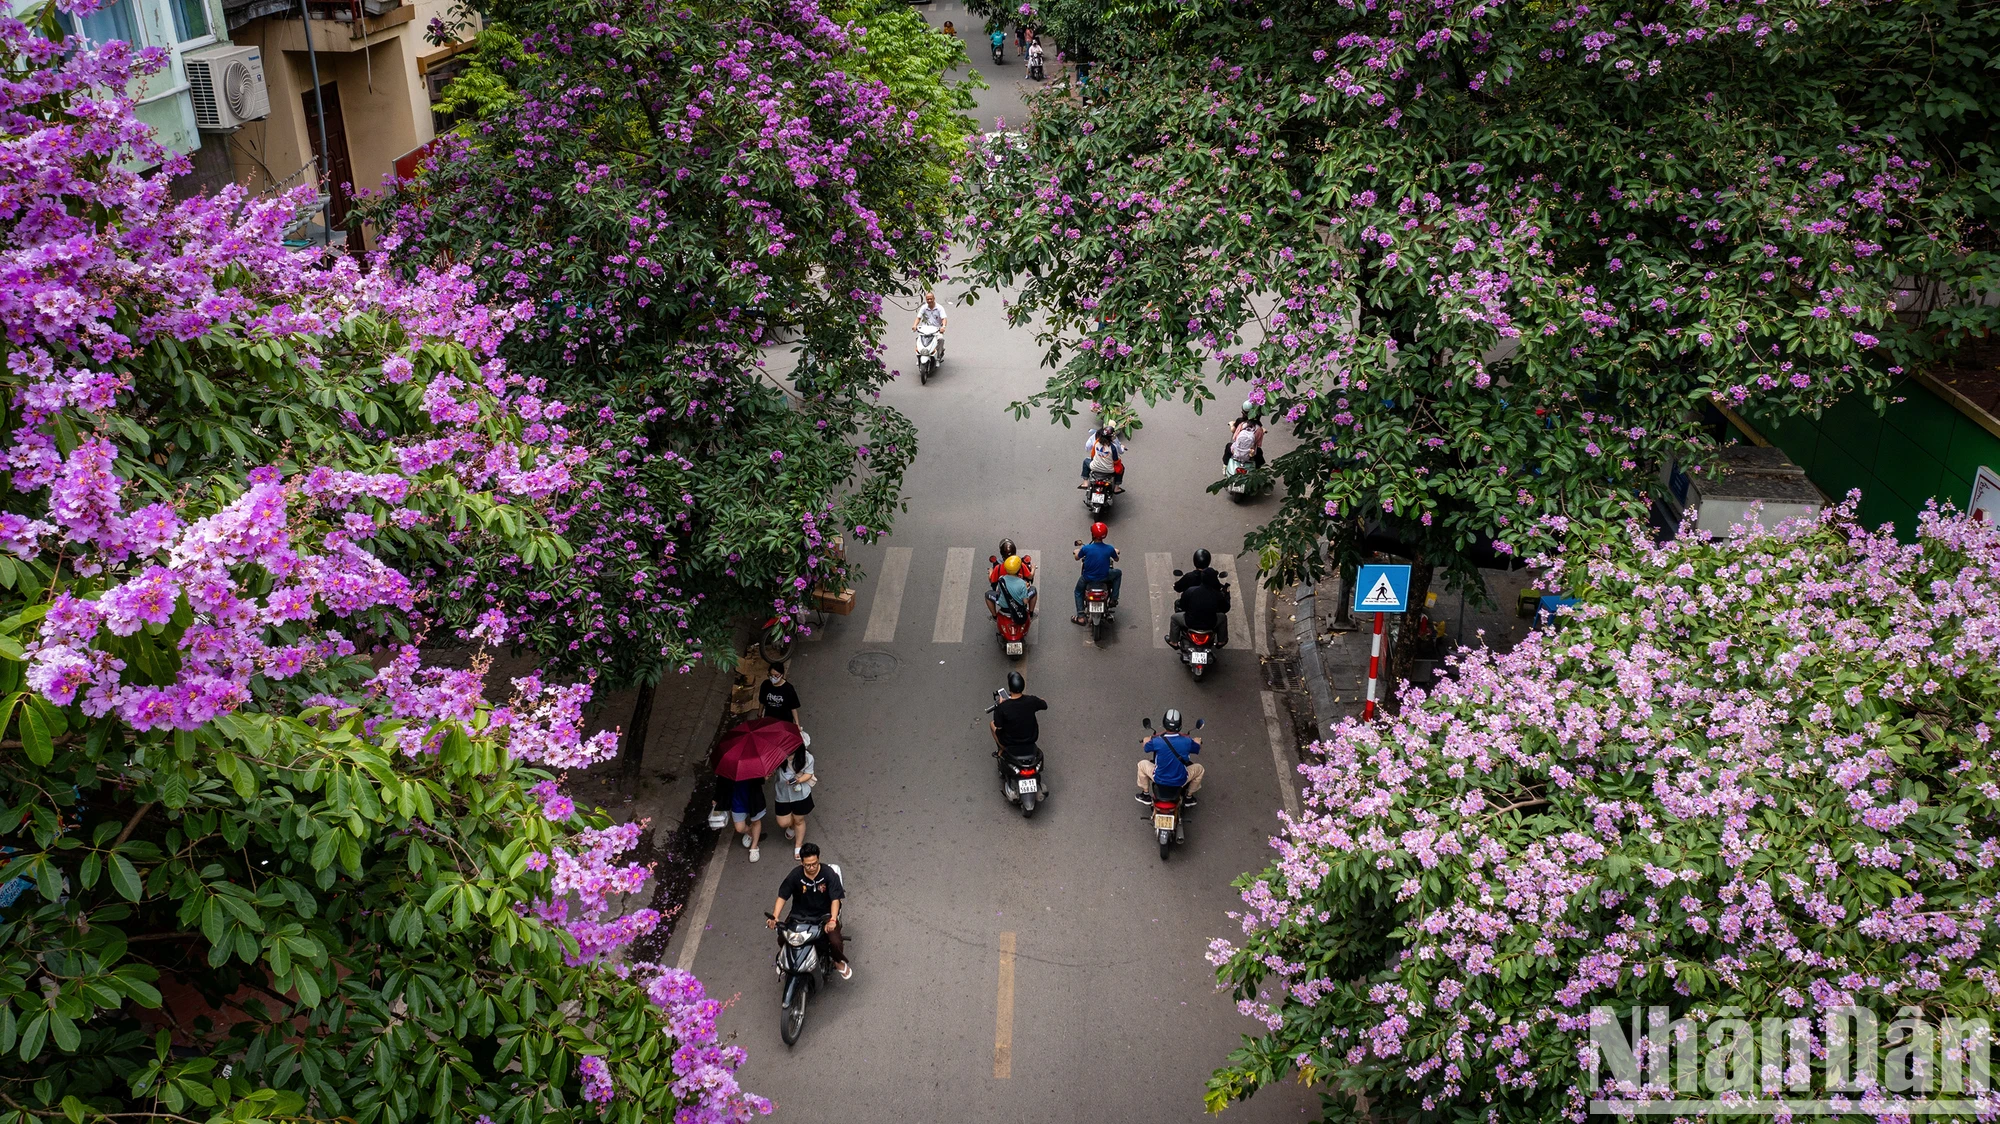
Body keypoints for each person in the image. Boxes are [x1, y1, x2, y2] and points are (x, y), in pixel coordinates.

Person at [768, 843, 850, 979]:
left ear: (818, 859)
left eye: (815, 864)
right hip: (799, 915)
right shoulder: (795, 875)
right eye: (808, 865)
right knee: (783, 938)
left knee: (835, 942)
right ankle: (787, 959)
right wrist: (775, 917)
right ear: (802, 862)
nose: (812, 868)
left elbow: (836, 900)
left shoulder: (828, 874)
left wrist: (833, 920)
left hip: (824, 916)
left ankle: (837, 961)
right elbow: (782, 896)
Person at [1137, 709, 1203, 806]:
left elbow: (1146, 747)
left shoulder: (1157, 742)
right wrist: (1197, 741)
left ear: (1164, 723)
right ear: (1180, 725)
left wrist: (1146, 739)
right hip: (1181, 779)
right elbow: (1197, 748)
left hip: (1159, 778)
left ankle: (1145, 794)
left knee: (1142, 764)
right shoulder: (1187, 742)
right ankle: (1189, 797)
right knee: (1200, 769)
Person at [1169, 550, 1231, 649]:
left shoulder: (1190, 591)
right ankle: (1221, 641)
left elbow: (1183, 605)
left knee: (1174, 618)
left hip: (1190, 622)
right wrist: (1227, 594)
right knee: (1223, 617)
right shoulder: (1217, 594)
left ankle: (1174, 642)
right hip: (1211, 623)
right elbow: (1225, 608)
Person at [1071, 522, 1122, 625]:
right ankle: (1113, 599)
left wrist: (1076, 551)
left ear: (1093, 535)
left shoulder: (1086, 549)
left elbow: (1077, 557)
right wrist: (1115, 551)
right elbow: (1116, 559)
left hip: (1087, 578)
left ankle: (1080, 616)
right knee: (1118, 573)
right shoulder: (1109, 548)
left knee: (1078, 592)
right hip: (1105, 577)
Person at [773, 743, 817, 860]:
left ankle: (798, 844)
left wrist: (798, 780)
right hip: (782, 794)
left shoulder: (807, 757)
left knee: (799, 819)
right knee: (783, 822)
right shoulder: (776, 756)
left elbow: (809, 773)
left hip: (800, 793)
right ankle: (792, 827)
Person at [990, 671, 1048, 753]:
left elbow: (998, 725)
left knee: (991, 724)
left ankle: (1002, 749)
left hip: (1009, 741)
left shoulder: (1003, 707)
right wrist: (1040, 700)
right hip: (1031, 738)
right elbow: (1044, 705)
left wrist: (1000, 705)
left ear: (1010, 688)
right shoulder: (1032, 700)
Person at [986, 553, 1038, 623]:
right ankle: (1031, 614)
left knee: (987, 594)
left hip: (1003, 605)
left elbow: (998, 590)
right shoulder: (1022, 583)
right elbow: (1025, 601)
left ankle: (994, 617)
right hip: (1018, 607)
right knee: (1033, 590)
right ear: (1019, 569)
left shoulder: (1001, 579)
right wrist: (1026, 588)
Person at [729, 775, 767, 862]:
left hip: (754, 797)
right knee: (739, 828)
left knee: (756, 821)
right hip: (737, 799)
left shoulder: (754, 763)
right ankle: (750, 833)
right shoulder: (730, 765)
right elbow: (723, 781)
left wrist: (764, 777)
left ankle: (754, 846)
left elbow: (761, 780)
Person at [1079, 426, 1124, 490]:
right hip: (1109, 470)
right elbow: (1116, 461)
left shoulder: (1097, 443)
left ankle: (1085, 482)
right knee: (1121, 468)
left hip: (1095, 467)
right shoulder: (1113, 447)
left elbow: (1092, 455)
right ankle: (1116, 488)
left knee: (1086, 461)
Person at [760, 661, 802, 729]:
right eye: (771, 675)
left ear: (781, 674)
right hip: (769, 721)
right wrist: (759, 715)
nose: (773, 678)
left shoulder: (788, 688)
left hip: (785, 722)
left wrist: (797, 723)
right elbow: (762, 701)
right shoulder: (765, 685)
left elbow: (793, 707)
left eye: (776, 675)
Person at [1226, 402, 1266, 468]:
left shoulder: (1241, 423)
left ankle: (1225, 465)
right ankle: (1258, 468)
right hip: (1250, 454)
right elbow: (1258, 444)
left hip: (1236, 452)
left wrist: (1231, 425)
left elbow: (1235, 438)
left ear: (1243, 413)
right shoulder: (1259, 428)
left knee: (1228, 446)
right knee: (1259, 451)